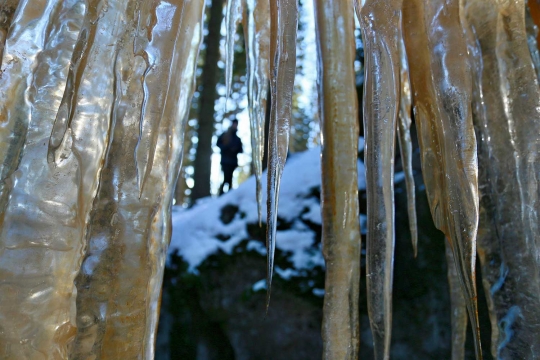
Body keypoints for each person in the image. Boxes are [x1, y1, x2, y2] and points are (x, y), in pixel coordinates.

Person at [217, 119, 243, 195]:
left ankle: (228, 196)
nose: (235, 125)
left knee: (230, 179)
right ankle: (221, 195)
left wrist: (235, 149)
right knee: (225, 179)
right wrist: (226, 148)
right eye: (234, 124)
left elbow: (241, 150)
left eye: (236, 124)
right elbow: (218, 144)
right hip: (225, 161)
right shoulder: (225, 135)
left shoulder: (237, 139)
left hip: (233, 162)